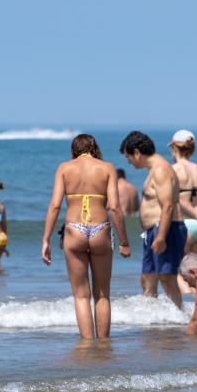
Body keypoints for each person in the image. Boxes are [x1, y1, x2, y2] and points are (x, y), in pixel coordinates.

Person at [43, 134, 131, 338]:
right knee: (102, 295)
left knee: (82, 296)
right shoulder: (107, 167)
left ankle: (86, 345)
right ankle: (103, 345)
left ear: (74, 149)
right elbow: (115, 208)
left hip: (74, 229)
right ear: (95, 148)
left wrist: (46, 239)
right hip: (100, 229)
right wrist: (124, 242)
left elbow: (55, 205)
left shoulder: (64, 168)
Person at [120, 130, 187, 309]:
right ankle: (154, 319)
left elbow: (168, 206)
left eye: (129, 157)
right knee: (147, 278)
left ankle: (179, 319)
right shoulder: (154, 170)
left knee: (167, 278)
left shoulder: (161, 170)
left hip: (165, 229)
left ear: (137, 152)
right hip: (153, 230)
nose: (129, 162)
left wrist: (161, 237)